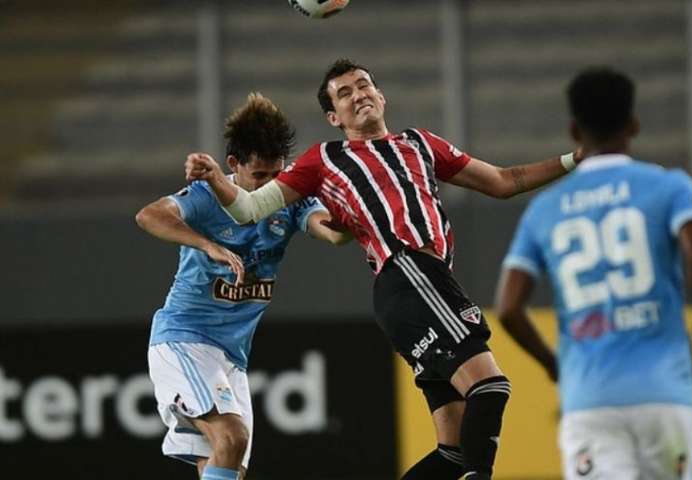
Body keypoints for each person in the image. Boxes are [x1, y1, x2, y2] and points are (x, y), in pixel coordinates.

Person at [185, 58, 583, 480]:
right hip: (408, 272)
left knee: (453, 453)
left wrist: (575, 159)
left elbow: (505, 180)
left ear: (380, 96)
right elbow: (249, 208)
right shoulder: (324, 159)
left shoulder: (419, 143)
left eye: (363, 86)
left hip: (423, 285)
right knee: (490, 387)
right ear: (333, 117)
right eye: (344, 93)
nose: (358, 94)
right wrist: (215, 178)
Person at [495, 67, 692, 479]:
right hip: (665, 396)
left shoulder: (545, 209)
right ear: (633, 124)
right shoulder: (669, 186)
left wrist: (552, 363)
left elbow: (509, 307)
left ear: (573, 130)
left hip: (589, 398)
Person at [136, 92, 350, 480]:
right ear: (234, 165)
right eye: (260, 177)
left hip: (232, 358)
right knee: (231, 437)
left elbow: (331, 233)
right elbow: (149, 215)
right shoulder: (204, 197)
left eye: (278, 175)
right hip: (183, 338)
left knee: (226, 465)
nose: (271, 188)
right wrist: (207, 244)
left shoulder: (292, 199)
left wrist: (353, 211)